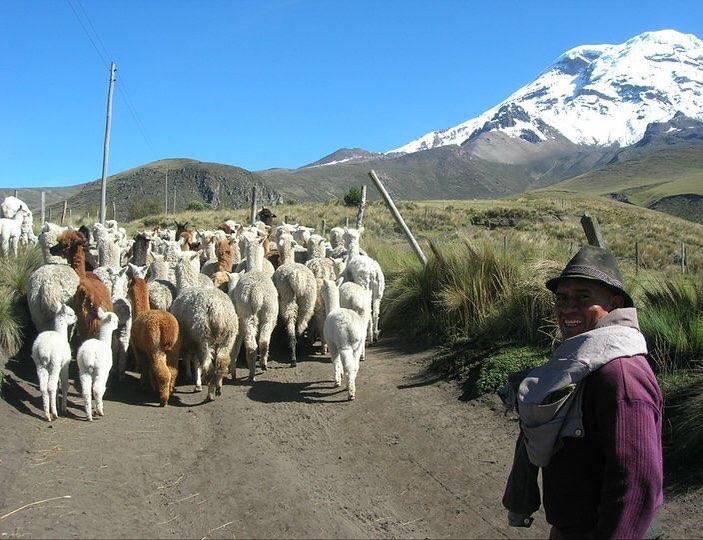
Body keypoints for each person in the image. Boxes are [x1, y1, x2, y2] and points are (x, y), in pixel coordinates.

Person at [501, 245, 664, 539]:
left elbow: (637, 483)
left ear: (614, 303)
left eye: (582, 297)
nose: (567, 307)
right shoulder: (582, 360)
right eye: (561, 297)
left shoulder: (621, 377)